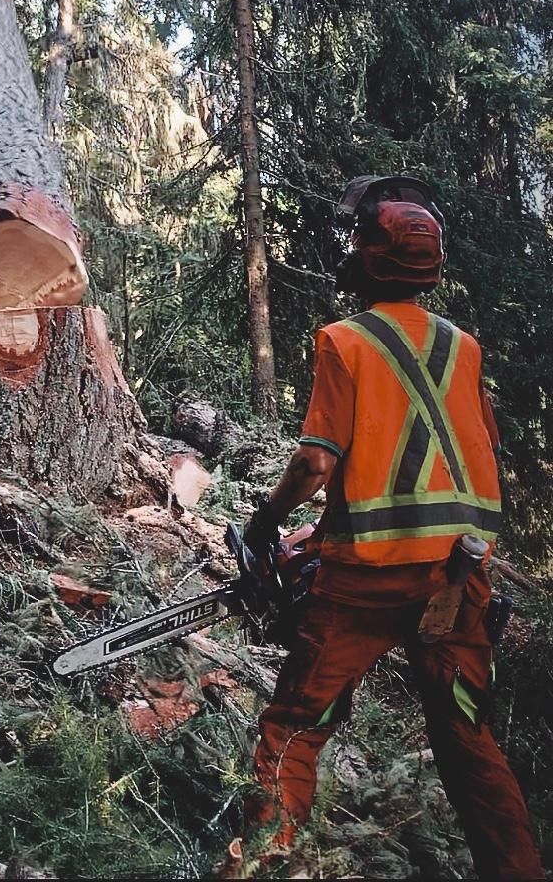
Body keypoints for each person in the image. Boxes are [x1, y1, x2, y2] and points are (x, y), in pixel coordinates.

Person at [221, 175, 543, 880]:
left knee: (297, 727)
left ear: (368, 256)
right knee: (468, 737)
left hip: (365, 586)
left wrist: (265, 523)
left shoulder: (344, 341)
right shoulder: (464, 348)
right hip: (457, 578)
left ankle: (265, 863)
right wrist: (324, 530)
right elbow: (452, 459)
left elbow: (313, 463)